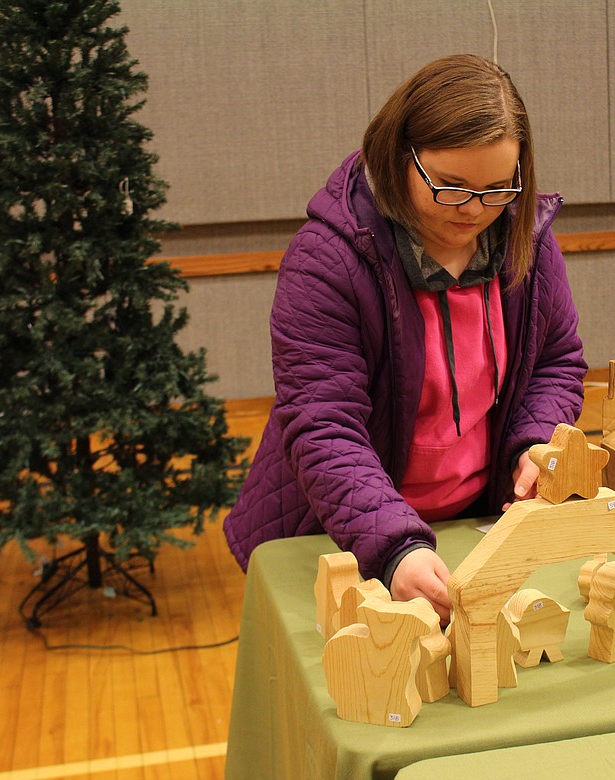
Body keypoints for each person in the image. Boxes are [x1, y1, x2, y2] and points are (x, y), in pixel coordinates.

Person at [223, 54, 587, 623]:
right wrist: (394, 547)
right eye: (450, 187)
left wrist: (535, 444)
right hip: (347, 531)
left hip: (473, 522)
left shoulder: (526, 240)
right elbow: (323, 423)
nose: (475, 211)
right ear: (399, 157)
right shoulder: (329, 260)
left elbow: (555, 363)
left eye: (498, 189)